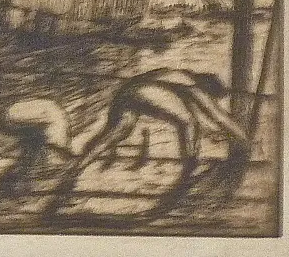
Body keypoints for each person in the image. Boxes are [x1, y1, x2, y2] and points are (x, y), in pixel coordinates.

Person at [76, 68, 250, 176]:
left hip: (126, 93)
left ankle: (79, 166)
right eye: (212, 98)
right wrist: (245, 138)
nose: (211, 100)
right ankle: (191, 165)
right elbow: (218, 116)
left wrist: (215, 133)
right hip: (145, 91)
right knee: (187, 122)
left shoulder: (179, 77)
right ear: (208, 89)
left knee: (116, 133)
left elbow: (202, 118)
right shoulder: (193, 86)